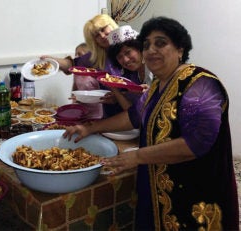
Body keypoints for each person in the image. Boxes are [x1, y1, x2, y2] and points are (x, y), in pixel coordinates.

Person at [63, 16, 239, 230]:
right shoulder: (157, 86)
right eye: (146, 45)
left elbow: (196, 144)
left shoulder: (200, 84)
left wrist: (137, 156)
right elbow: (134, 117)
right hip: (162, 186)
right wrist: (88, 128)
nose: (151, 50)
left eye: (161, 43)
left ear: (180, 48)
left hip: (196, 192)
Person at [42, 14, 123, 118]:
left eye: (103, 29)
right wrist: (52, 61)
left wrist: (119, 97)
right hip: (109, 116)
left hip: (132, 115)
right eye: (97, 35)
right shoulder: (96, 57)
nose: (102, 36)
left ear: (112, 25)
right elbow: (72, 64)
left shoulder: (131, 48)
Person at [105, 25, 153, 111]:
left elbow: (133, 114)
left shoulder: (156, 69)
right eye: (119, 57)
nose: (125, 60)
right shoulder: (133, 75)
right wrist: (117, 96)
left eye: (128, 52)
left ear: (140, 48)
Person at [70, 43, 103, 119]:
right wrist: (73, 100)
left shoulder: (95, 74)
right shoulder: (77, 73)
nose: (76, 57)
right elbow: (75, 86)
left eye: (80, 54)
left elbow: (102, 92)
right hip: (81, 110)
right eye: (75, 54)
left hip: (96, 111)